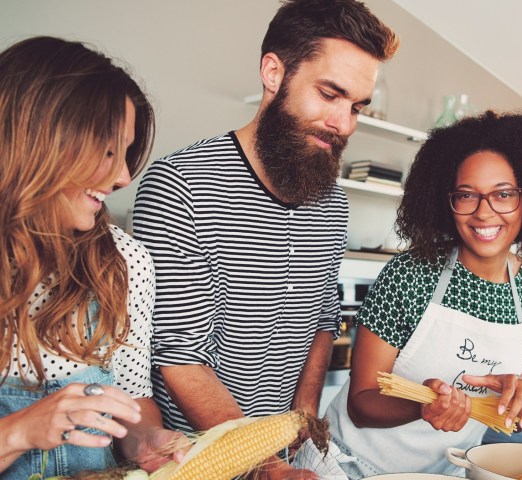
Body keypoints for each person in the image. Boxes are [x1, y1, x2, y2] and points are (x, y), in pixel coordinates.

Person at [132, 0, 398, 478]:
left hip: (284, 457)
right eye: (329, 94)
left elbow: (322, 319)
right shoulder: (180, 185)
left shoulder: (332, 202)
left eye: (356, 107)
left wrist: (305, 421)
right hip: (200, 459)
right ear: (273, 72)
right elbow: (180, 358)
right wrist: (264, 466)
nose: (344, 123)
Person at [323, 111, 522, 477]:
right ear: (446, 201)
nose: (484, 213)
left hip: (440, 473)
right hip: (347, 465)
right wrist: (423, 405)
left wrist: (521, 403)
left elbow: (521, 419)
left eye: (503, 194)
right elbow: (361, 403)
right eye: (467, 195)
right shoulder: (409, 274)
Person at [0, 36, 182, 478]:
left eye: (126, 152)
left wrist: (145, 442)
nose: (123, 175)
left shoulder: (126, 263)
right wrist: (22, 431)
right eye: (107, 150)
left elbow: (135, 400)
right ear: (40, 138)